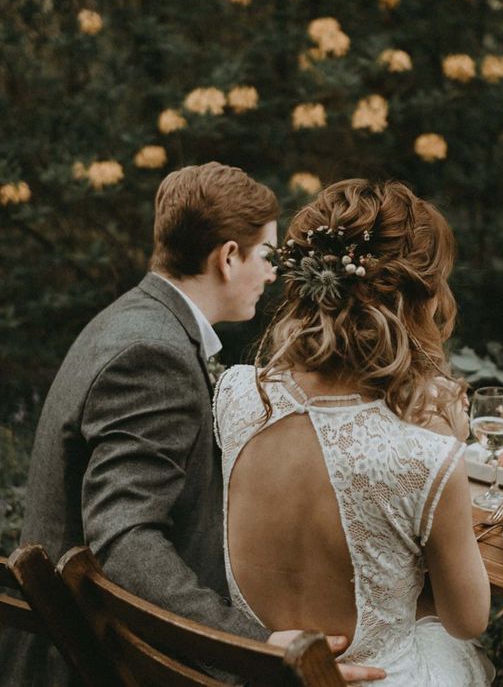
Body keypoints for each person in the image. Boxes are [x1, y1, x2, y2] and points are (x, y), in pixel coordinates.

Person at [0, 163, 382, 685]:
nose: (273, 274)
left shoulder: (135, 318)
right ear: (228, 257)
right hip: (90, 662)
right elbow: (125, 539)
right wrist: (253, 644)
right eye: (267, 256)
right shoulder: (150, 354)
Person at [214, 179, 494, 685]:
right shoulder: (426, 457)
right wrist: (446, 449)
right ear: (419, 302)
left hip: (258, 670)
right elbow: (467, 619)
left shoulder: (235, 395)